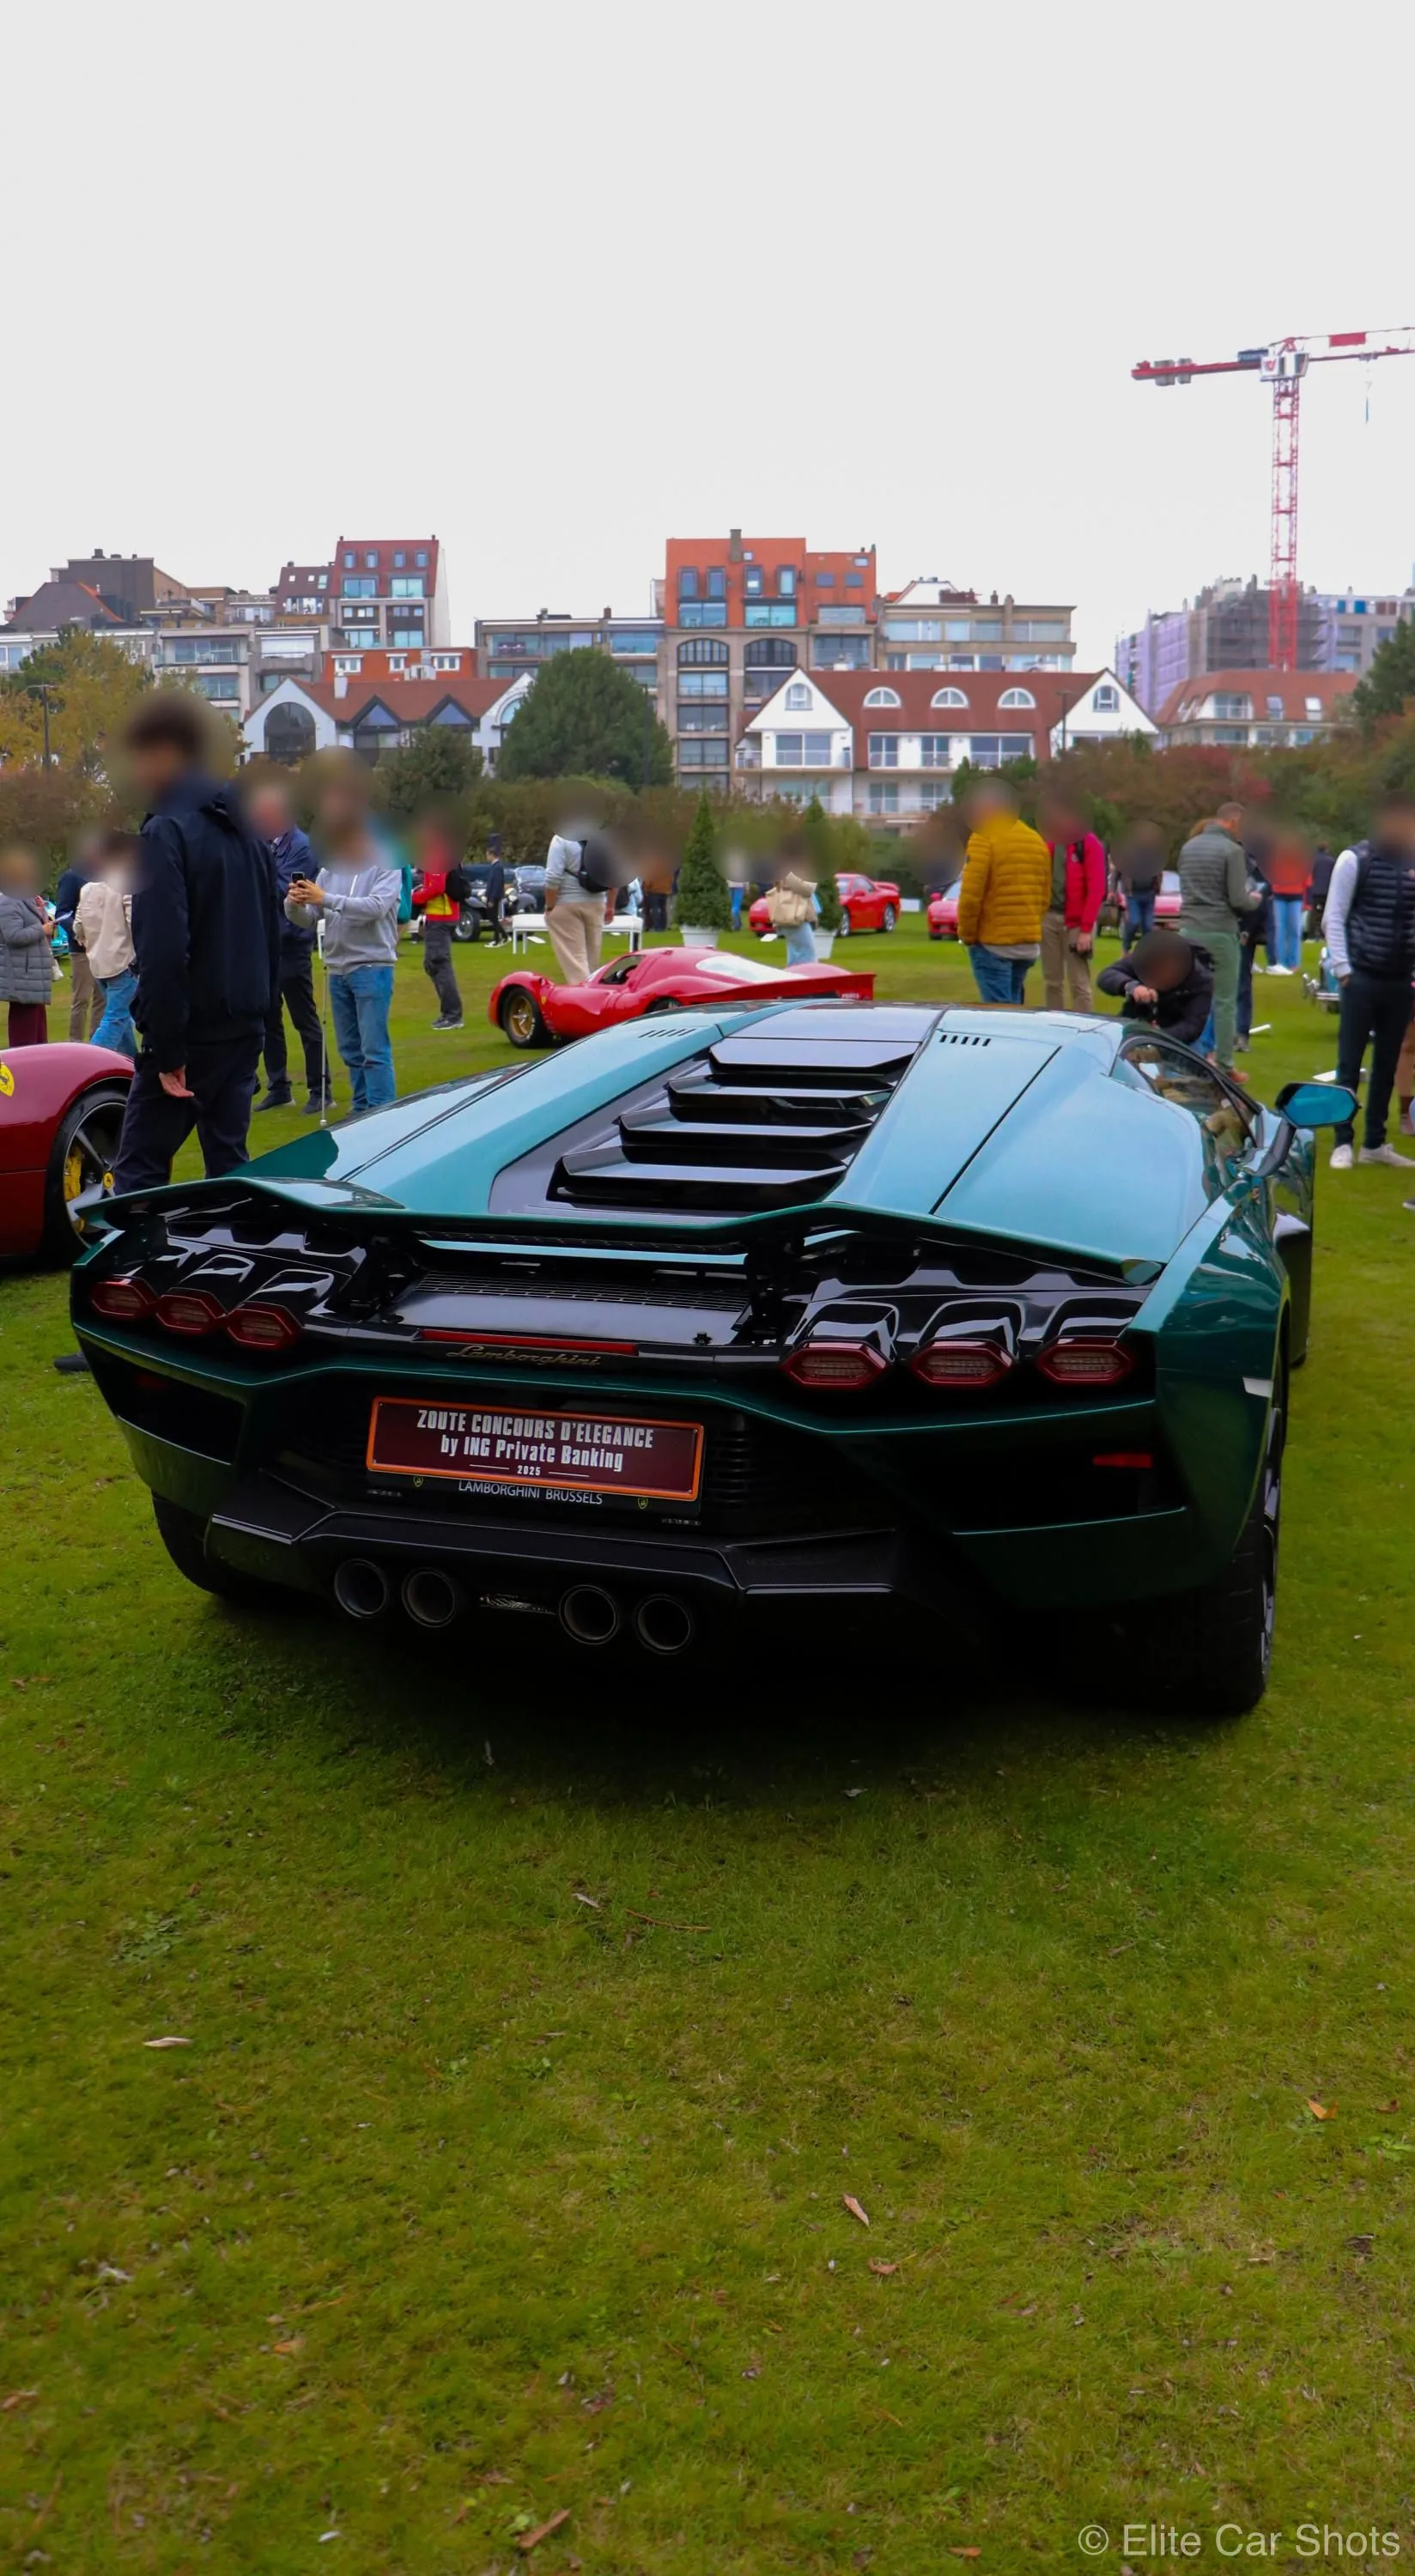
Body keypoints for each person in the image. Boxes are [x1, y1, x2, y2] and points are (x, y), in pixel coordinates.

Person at [111, 695, 280, 1193]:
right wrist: (262, 1016)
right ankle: (229, 1265)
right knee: (230, 1170)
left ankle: (133, 1271)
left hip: (197, 1030)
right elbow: (270, 930)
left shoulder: (167, 831)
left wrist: (166, 1049)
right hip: (243, 1024)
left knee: (138, 1174)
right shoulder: (246, 827)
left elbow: (163, 949)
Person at [284, 772, 401, 1115]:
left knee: (374, 1050)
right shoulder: (332, 866)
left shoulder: (386, 862)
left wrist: (326, 898)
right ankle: (361, 1110)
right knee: (350, 1049)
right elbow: (310, 917)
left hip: (372, 967)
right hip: (338, 969)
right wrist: (294, 902)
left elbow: (376, 908)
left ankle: (382, 1113)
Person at [1323, 792, 1415, 1170]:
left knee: (1388, 1063)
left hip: (1400, 980)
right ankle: (1342, 1141)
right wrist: (1343, 970)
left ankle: (1375, 1142)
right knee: (1349, 1063)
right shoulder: (1354, 859)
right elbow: (1335, 916)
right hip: (1360, 975)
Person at [246, 779, 330, 1115]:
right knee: (269, 1018)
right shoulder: (267, 843)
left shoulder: (301, 846)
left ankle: (320, 1089)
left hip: (292, 942)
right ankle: (279, 1086)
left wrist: (252, 870)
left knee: (303, 1017)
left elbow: (284, 886)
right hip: (267, 942)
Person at [1177, 801, 1260, 1074]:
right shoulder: (1232, 851)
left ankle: (1188, 1056)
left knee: (1190, 996)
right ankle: (1225, 1063)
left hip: (1189, 929)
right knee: (1225, 1000)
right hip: (1221, 931)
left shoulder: (1188, 848)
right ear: (1234, 822)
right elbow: (1238, 899)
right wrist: (1254, 900)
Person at [956, 781, 1051, 1004]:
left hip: (993, 944)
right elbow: (1044, 897)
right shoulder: (1036, 840)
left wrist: (967, 935)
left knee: (999, 1018)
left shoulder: (983, 837)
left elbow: (971, 894)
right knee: (1014, 1008)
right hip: (1027, 943)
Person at [74, 829, 139, 1059]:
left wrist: (88, 942)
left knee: (120, 1021)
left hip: (98, 964)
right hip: (123, 962)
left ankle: (131, 1065)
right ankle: (84, 1063)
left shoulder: (87, 888)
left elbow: (78, 925)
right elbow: (135, 922)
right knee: (116, 1019)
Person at [1038, 794, 1105, 1012]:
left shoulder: (1088, 843)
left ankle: (1083, 1027)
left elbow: (1096, 889)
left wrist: (1086, 930)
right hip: (1048, 918)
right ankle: (1054, 1025)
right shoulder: (1048, 842)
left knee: (1079, 983)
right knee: (1052, 981)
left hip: (1076, 923)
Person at [1097, 927, 1214, 1048]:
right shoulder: (1146, 959)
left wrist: (1157, 1036)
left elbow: (1192, 1026)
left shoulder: (1202, 980)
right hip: (1134, 1021)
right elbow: (1106, 976)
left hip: (1176, 1038)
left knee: (1191, 1056)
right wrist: (1132, 987)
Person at [544, 814, 617, 984]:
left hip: (566, 903)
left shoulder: (561, 839)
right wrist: (611, 906)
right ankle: (596, 996)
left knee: (576, 960)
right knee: (592, 961)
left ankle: (584, 1002)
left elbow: (552, 877)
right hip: (597, 903)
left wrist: (550, 906)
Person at [411, 816, 468, 1030]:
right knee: (432, 964)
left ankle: (453, 1015)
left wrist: (414, 898)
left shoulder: (436, 854)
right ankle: (450, 1012)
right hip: (443, 914)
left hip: (440, 916)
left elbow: (436, 888)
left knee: (438, 964)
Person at [0, 844, 55, 1046]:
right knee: (25, 1036)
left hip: (33, 976)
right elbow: (13, 935)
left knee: (38, 1033)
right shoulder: (8, 901)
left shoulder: (28, 899)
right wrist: (42, 930)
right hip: (21, 976)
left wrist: (42, 914)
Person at [54, 833, 101, 1039]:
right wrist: (78, 934)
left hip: (103, 949)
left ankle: (99, 1044)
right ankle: (75, 1043)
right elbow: (62, 913)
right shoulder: (73, 877)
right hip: (81, 949)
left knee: (102, 999)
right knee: (81, 999)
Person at [1262, 827, 1310, 974]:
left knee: (1295, 930)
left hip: (1295, 896)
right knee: (1280, 930)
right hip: (1279, 895)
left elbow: (1307, 880)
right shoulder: (1276, 857)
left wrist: (1306, 900)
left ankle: (1293, 962)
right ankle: (1280, 962)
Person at [1114, 821, 1165, 950]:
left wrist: (1158, 886)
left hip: (1149, 893)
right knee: (1134, 921)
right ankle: (1126, 946)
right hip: (1133, 894)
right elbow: (1116, 874)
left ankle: (1146, 952)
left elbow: (1159, 872)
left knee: (1148, 926)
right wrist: (1111, 890)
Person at [765, 863, 818, 964]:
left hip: (790, 914)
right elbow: (807, 890)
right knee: (808, 954)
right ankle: (806, 977)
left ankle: (793, 976)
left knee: (795, 955)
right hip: (795, 916)